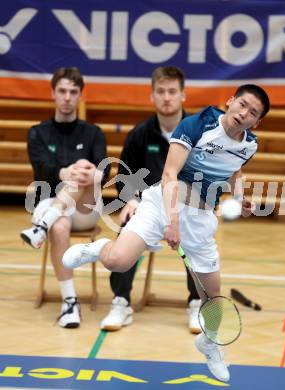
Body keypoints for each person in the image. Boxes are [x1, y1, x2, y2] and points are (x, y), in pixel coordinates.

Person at [62, 84, 270, 382]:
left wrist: (240, 197)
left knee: (213, 299)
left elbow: (233, 171)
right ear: (231, 101)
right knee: (118, 261)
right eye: (242, 105)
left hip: (199, 219)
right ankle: (98, 250)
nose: (244, 114)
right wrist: (172, 221)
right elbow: (170, 173)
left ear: (256, 121)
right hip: (162, 205)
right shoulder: (198, 124)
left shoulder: (249, 144)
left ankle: (209, 344)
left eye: (253, 113)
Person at [100, 66, 201, 333]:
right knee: (126, 227)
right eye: (161, 92)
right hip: (146, 208)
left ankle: (196, 303)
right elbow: (124, 178)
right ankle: (121, 302)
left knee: (198, 234)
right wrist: (130, 201)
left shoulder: (200, 135)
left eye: (172, 92)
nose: (166, 97)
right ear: (152, 96)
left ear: (183, 95)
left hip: (185, 207)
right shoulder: (139, 135)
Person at [20, 67, 109, 328]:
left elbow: (105, 171)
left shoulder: (94, 133)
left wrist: (85, 171)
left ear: (80, 95)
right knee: (59, 225)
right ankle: (70, 302)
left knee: (85, 166)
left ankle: (40, 227)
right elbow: (42, 169)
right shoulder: (37, 133)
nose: (67, 97)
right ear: (53, 94)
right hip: (49, 203)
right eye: (62, 91)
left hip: (84, 209)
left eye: (73, 92)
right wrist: (63, 172)